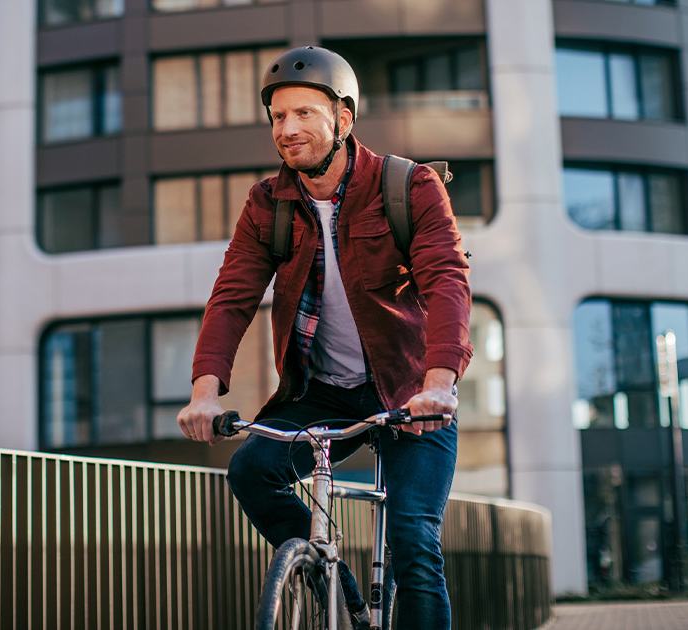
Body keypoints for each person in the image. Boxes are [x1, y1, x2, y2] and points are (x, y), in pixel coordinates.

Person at [176, 46, 472, 630]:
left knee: (414, 543)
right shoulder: (269, 204)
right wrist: (204, 393)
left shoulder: (408, 186)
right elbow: (232, 298)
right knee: (251, 470)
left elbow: (446, 280)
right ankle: (334, 582)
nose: (288, 130)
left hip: (410, 393)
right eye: (278, 118)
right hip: (325, 391)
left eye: (304, 114)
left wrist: (439, 385)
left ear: (343, 119)